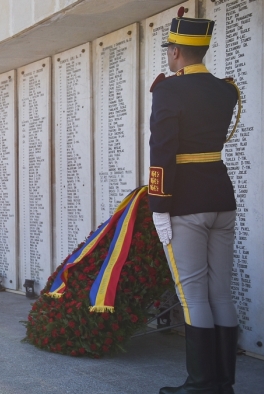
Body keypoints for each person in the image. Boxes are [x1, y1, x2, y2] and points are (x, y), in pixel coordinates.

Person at [149, 8, 240, 394]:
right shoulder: (226, 89)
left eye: (169, 48)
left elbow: (162, 149)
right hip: (221, 195)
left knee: (192, 293)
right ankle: (224, 382)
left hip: (184, 200)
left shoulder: (169, 89)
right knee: (221, 291)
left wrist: (158, 205)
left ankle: (202, 383)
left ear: (176, 52)